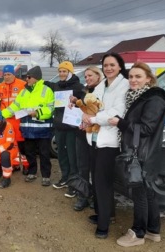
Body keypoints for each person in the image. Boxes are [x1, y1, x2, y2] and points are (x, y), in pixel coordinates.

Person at [109, 62, 165, 247]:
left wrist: (120, 123)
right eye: (131, 77)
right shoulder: (140, 97)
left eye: (138, 76)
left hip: (142, 154)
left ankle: (138, 233)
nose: (133, 80)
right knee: (148, 192)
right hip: (143, 152)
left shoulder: (153, 99)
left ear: (148, 79)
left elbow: (146, 128)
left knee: (140, 194)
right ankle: (153, 230)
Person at [81, 53, 129, 239]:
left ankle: (103, 226)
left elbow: (115, 114)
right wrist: (85, 117)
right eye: (105, 65)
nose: (108, 68)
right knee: (97, 179)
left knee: (103, 183)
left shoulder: (123, 86)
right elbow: (91, 105)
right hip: (94, 138)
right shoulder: (102, 85)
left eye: (112, 65)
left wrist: (92, 118)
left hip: (109, 142)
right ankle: (106, 214)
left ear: (119, 66)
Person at [2, 66, 55, 186]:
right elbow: (14, 106)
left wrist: (38, 113)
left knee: (44, 154)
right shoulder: (24, 91)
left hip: (43, 129)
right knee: (30, 152)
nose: (27, 79)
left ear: (35, 77)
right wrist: (1, 115)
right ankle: (32, 172)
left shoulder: (47, 90)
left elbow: (51, 109)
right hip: (27, 129)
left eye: (29, 77)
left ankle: (46, 176)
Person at [46, 61, 84, 196]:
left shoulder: (78, 87)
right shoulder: (57, 86)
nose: (62, 74)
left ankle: (74, 182)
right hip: (59, 125)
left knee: (72, 155)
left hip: (72, 127)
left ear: (70, 72)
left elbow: (84, 105)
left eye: (64, 71)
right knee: (61, 153)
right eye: (60, 71)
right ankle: (65, 177)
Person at [72, 66, 104, 211]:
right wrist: (74, 104)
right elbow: (83, 110)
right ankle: (83, 195)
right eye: (86, 76)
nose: (88, 78)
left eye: (90, 75)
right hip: (82, 134)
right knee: (82, 166)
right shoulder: (85, 91)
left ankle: (97, 197)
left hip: (98, 134)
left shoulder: (104, 91)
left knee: (96, 168)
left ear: (99, 76)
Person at [0, 65, 26, 157]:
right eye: (5, 75)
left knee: (21, 143)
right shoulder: (0, 86)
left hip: (18, 119)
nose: (6, 77)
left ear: (14, 74)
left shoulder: (22, 84)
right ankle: (15, 164)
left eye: (9, 74)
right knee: (9, 142)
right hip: (5, 120)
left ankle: (26, 165)